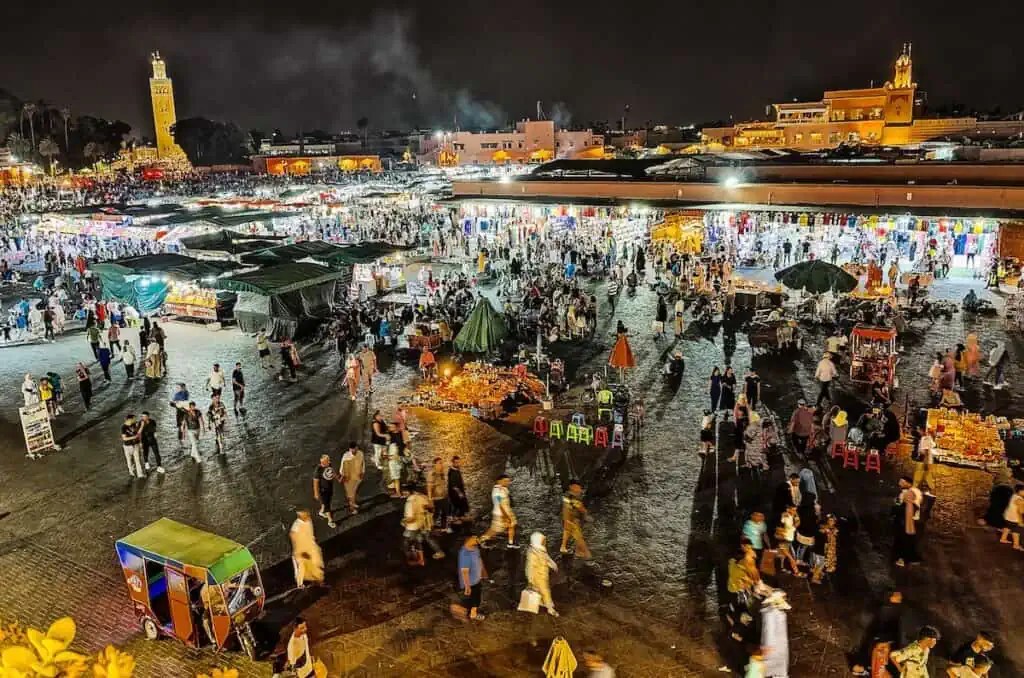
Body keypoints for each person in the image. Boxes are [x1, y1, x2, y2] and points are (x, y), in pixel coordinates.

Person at [403, 485, 445, 563]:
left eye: (404, 493)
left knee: (408, 541)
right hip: (425, 523)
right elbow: (431, 508)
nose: (403, 494)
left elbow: (410, 517)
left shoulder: (410, 502)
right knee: (427, 538)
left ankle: (411, 559)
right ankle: (439, 552)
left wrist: (404, 522)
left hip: (414, 525)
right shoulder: (423, 497)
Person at [526, 532, 559, 616]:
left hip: (543, 575)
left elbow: (547, 559)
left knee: (540, 591)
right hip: (537, 576)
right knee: (544, 591)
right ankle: (550, 608)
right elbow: (530, 567)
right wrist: (530, 579)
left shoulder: (541, 550)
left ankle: (540, 604)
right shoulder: (533, 553)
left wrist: (553, 565)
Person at [480, 475, 517, 548]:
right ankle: (480, 540)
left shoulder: (504, 488)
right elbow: (499, 504)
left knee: (512, 525)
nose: (507, 482)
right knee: (494, 530)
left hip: (507, 511)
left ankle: (510, 543)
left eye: (508, 481)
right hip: (500, 514)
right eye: (505, 481)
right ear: (499, 481)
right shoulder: (497, 491)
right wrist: (506, 516)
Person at [289, 511, 324, 589]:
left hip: (310, 548)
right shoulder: (296, 526)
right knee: (302, 567)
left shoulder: (308, 521)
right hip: (301, 551)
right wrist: (300, 551)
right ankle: (300, 585)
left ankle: (319, 581)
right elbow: (293, 537)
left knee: (315, 564)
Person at [894, 476, 923, 567]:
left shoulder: (909, 493)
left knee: (905, 541)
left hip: (908, 520)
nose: (900, 484)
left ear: (909, 483)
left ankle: (903, 559)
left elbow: (909, 507)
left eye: (902, 482)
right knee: (910, 541)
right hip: (911, 520)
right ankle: (912, 559)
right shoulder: (915, 491)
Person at [457, 536, 486, 621]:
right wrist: (467, 586)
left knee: (476, 598)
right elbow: (464, 572)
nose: (477, 539)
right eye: (474, 538)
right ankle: (472, 614)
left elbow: (479, 559)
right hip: (471, 582)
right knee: (475, 600)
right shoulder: (465, 554)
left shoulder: (475, 549)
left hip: (477, 579)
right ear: (468, 539)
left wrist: (483, 572)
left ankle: (471, 612)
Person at [560, 481, 591, 559]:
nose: (580, 489)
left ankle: (574, 551)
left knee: (568, 532)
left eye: (579, 488)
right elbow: (580, 507)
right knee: (578, 537)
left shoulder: (569, 496)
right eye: (578, 487)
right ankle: (587, 555)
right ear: (572, 487)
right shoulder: (571, 497)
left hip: (571, 519)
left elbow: (577, 506)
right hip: (572, 520)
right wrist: (585, 514)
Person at [340, 443, 365, 515]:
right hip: (348, 478)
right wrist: (342, 476)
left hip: (357, 476)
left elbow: (363, 463)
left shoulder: (360, 453)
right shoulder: (346, 456)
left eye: (355, 449)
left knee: (354, 491)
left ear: (357, 448)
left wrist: (362, 472)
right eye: (352, 450)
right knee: (350, 494)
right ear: (350, 449)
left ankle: (353, 503)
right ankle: (352, 508)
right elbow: (342, 466)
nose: (354, 451)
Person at [313, 455, 337, 528]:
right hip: (323, 490)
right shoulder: (318, 470)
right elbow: (315, 482)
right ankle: (330, 520)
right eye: (327, 460)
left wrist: (338, 478)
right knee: (327, 505)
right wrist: (316, 493)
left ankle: (322, 511)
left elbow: (332, 472)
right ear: (322, 461)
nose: (329, 462)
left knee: (327, 502)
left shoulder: (329, 465)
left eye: (328, 460)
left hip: (330, 487)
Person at [998, 484, 1024, 551]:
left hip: (1007, 516)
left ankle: (1003, 539)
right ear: (1020, 491)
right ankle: (1016, 545)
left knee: (1007, 527)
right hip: (1014, 518)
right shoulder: (1019, 499)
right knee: (1016, 531)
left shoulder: (1014, 496)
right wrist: (1020, 521)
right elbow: (1020, 512)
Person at [426, 457, 449, 531]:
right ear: (435, 464)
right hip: (437, 499)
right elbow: (429, 488)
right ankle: (430, 528)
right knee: (435, 514)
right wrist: (430, 500)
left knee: (445, 512)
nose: (442, 465)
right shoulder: (432, 474)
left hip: (444, 497)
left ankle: (443, 527)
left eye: (442, 463)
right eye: (440, 463)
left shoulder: (441, 473)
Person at [912, 428, 937, 496]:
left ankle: (920, 489)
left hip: (925, 461)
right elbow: (926, 451)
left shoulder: (927, 439)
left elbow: (925, 451)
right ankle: (925, 489)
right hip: (926, 461)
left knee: (922, 476)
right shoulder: (928, 439)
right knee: (924, 476)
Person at [121, 413, 144, 478]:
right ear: (130, 419)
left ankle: (140, 474)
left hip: (135, 445)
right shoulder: (123, 427)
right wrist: (134, 437)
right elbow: (124, 438)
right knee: (129, 460)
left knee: (137, 460)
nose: (135, 420)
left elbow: (138, 433)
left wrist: (140, 442)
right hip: (127, 446)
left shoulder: (134, 424)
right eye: (134, 418)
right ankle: (131, 472)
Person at [447, 456, 469, 524]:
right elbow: (453, 485)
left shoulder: (457, 469)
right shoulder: (452, 472)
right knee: (456, 506)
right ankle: (454, 520)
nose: (458, 464)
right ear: (453, 463)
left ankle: (460, 517)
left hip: (459, 492)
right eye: (456, 462)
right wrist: (459, 493)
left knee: (461, 505)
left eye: (459, 462)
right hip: (455, 494)